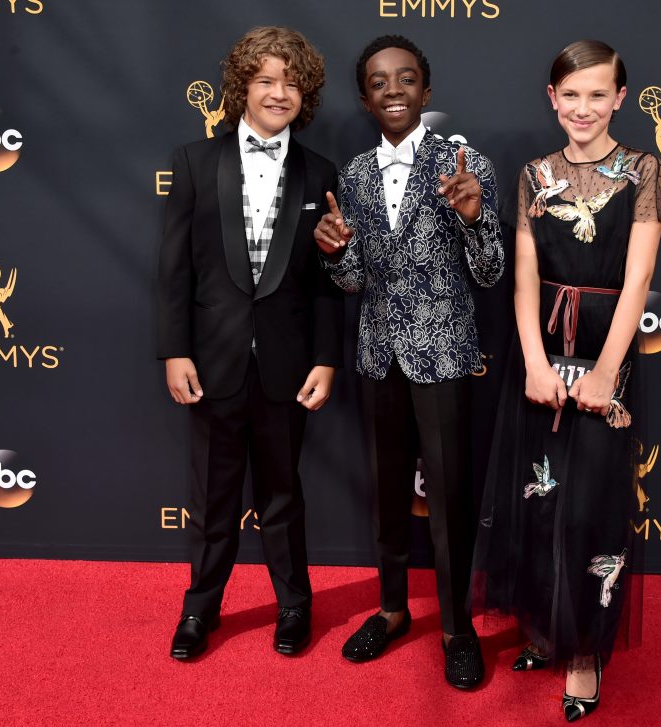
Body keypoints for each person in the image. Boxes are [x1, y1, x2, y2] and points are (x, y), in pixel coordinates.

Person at [471, 40, 661, 721]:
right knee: (539, 501)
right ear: (552, 99)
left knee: (594, 509)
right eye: (570, 94)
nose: (583, 107)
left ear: (619, 98)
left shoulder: (644, 170)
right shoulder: (532, 174)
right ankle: (544, 628)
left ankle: (584, 656)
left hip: (607, 351)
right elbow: (524, 277)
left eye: (597, 94)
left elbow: (638, 276)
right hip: (542, 351)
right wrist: (531, 360)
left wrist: (608, 370)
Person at [313, 35, 504, 689]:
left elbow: (490, 271)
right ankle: (392, 609)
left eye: (405, 77)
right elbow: (355, 280)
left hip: (445, 352)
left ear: (426, 88)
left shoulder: (466, 161)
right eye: (378, 81)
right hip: (378, 353)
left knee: (448, 498)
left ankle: (457, 628)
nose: (392, 89)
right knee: (389, 493)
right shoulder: (355, 176)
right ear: (365, 97)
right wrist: (337, 252)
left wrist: (476, 216)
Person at [157, 26, 343, 660]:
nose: (278, 92)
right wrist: (174, 351)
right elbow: (173, 270)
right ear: (241, 88)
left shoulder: (321, 172)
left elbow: (326, 281)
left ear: (305, 94)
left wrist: (324, 358)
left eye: (291, 82)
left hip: (287, 368)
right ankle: (200, 610)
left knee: (282, 494)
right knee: (211, 498)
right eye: (265, 80)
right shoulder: (193, 162)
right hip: (211, 361)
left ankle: (295, 606)